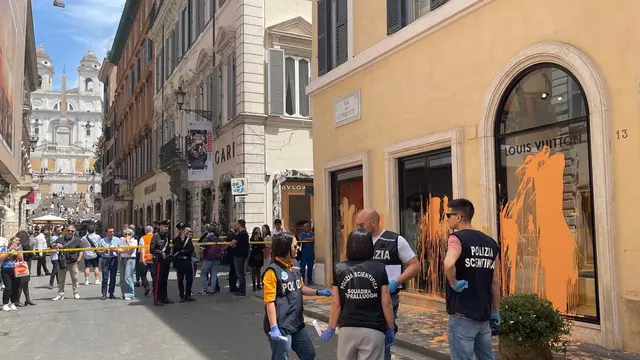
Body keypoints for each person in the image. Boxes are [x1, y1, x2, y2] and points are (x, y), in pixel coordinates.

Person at [355, 209, 421, 360]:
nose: (358, 228)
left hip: (387, 297)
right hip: (362, 297)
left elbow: (415, 266)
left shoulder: (395, 240)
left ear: (373, 223)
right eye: (356, 225)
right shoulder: (358, 241)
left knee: (383, 342)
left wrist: (396, 281)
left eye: (361, 225)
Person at [320, 229, 395, 359]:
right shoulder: (379, 268)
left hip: (347, 329)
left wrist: (331, 328)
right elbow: (386, 303)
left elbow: (336, 303)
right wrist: (390, 327)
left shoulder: (340, 268)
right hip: (373, 329)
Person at [443, 199, 500, 360]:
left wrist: (453, 283)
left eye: (449, 215)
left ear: (459, 217)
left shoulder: (457, 238)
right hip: (483, 314)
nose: (447, 218)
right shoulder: (491, 243)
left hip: (463, 313)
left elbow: (448, 264)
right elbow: (495, 281)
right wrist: (495, 310)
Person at [262, 232, 332, 360]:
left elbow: (301, 287)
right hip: (281, 325)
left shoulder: (295, 264)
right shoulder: (272, 272)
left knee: (309, 354)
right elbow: (269, 302)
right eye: (295, 246)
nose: (298, 248)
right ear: (285, 248)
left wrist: (318, 292)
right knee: (281, 357)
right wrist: (274, 327)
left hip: (296, 322)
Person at [51, 225, 84, 300]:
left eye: (72, 231)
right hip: (62, 262)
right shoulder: (60, 239)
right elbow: (51, 245)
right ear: (66, 231)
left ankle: (76, 293)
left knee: (75, 278)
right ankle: (60, 294)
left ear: (74, 232)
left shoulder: (77, 239)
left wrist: (79, 259)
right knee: (61, 279)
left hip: (73, 262)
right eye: (68, 230)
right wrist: (56, 245)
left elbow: (81, 250)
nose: (70, 232)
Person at [150, 220, 174, 306]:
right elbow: (152, 249)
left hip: (166, 260)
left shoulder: (167, 236)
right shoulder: (155, 236)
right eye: (164, 226)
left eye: (167, 226)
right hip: (159, 261)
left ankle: (164, 297)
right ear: (160, 227)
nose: (166, 228)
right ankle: (157, 299)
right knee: (158, 281)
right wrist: (161, 252)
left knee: (164, 280)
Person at [198, 224, 224, 295]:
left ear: (207, 230)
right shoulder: (218, 238)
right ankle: (212, 289)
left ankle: (205, 289)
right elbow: (223, 246)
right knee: (214, 274)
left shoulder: (206, 239)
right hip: (216, 258)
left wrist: (202, 257)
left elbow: (202, 250)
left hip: (208, 258)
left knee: (203, 273)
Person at [173, 223, 195, 302]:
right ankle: (182, 295)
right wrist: (183, 248)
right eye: (180, 229)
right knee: (180, 280)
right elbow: (177, 249)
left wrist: (184, 251)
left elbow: (191, 249)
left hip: (187, 261)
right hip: (180, 261)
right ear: (178, 230)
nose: (181, 231)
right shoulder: (176, 240)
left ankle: (188, 294)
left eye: (183, 229)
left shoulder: (188, 239)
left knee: (189, 279)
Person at [0, 237, 24, 311]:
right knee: (8, 287)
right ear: (11, 241)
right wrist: (10, 251)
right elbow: (1, 258)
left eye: (19, 240)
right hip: (6, 269)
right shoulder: (5, 249)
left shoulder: (19, 249)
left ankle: (13, 302)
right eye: (16, 240)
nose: (18, 241)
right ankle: (5, 303)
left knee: (16, 287)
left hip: (16, 269)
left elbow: (21, 258)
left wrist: (17, 251)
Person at [97, 227, 121, 300]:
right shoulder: (102, 241)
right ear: (106, 233)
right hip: (105, 259)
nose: (112, 233)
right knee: (105, 277)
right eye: (110, 232)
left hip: (113, 258)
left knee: (113, 277)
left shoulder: (117, 240)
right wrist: (102, 252)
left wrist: (116, 250)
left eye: (113, 231)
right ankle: (104, 294)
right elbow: (98, 250)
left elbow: (121, 249)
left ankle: (111, 293)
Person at [15, 230, 36, 306]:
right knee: (22, 283)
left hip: (19, 264)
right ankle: (17, 300)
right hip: (25, 265)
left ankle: (27, 299)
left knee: (24, 283)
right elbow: (31, 255)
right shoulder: (26, 245)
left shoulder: (19, 245)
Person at [231, 219, 250, 297]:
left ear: (239, 225)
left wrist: (233, 244)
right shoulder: (245, 233)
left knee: (240, 274)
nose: (236, 226)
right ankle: (241, 289)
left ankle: (242, 291)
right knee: (240, 273)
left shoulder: (241, 234)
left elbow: (232, 243)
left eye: (237, 224)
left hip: (239, 256)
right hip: (242, 255)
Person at [118, 228, 138, 300]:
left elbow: (131, 252)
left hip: (130, 260)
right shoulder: (121, 240)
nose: (126, 235)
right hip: (122, 259)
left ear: (132, 235)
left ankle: (129, 294)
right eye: (125, 234)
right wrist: (126, 250)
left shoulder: (134, 241)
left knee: (128, 276)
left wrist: (128, 241)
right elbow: (119, 250)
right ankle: (124, 293)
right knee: (122, 278)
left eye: (129, 234)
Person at [138, 226, 155, 296]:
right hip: (153, 259)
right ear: (152, 231)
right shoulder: (155, 237)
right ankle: (155, 289)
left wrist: (142, 258)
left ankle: (146, 286)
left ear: (145, 231)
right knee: (154, 275)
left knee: (143, 275)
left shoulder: (143, 238)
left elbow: (142, 249)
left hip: (144, 259)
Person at [248, 227, 265, 291]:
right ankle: (253, 285)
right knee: (254, 270)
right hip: (254, 255)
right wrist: (255, 237)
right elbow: (252, 245)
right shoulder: (252, 238)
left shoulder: (261, 238)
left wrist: (259, 238)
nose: (258, 232)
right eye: (256, 231)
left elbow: (263, 246)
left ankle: (258, 284)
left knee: (258, 270)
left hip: (260, 255)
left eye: (258, 231)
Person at [226, 223, 239, 293]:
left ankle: (232, 286)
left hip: (231, 255)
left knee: (232, 271)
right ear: (233, 226)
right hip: (233, 255)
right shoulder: (232, 235)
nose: (237, 226)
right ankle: (233, 286)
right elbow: (233, 244)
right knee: (233, 271)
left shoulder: (230, 234)